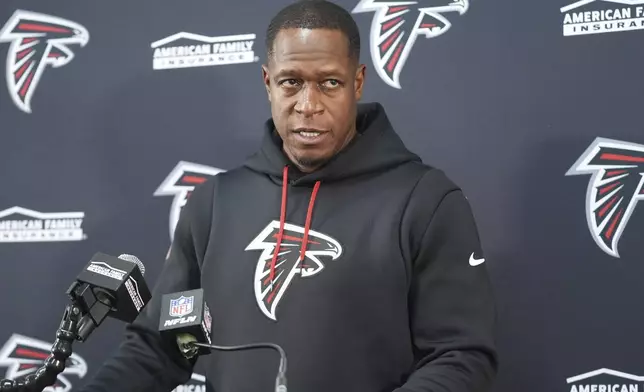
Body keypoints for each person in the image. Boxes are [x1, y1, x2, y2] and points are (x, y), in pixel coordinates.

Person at [79, 1, 498, 391]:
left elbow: (461, 356)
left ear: (357, 82)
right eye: (291, 83)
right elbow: (163, 346)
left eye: (329, 83)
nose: (308, 104)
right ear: (268, 83)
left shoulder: (424, 200)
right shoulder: (215, 203)